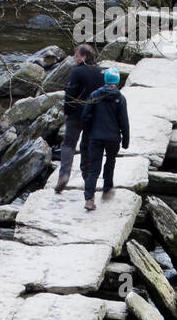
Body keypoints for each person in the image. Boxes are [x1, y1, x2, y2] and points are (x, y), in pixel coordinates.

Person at [54, 43, 103, 193]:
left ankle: (64, 175)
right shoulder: (101, 72)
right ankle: (88, 180)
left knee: (68, 144)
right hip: (93, 115)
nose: (74, 59)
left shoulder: (77, 72)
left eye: (76, 56)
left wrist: (67, 112)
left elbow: (70, 94)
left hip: (76, 114)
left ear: (83, 56)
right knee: (87, 147)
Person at [80, 66, 130, 210]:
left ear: (105, 80)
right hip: (113, 138)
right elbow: (124, 122)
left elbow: (85, 116)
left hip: (96, 137)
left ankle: (89, 198)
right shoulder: (120, 98)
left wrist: (90, 130)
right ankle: (107, 188)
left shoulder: (95, 95)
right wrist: (126, 141)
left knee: (94, 168)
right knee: (110, 161)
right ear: (117, 82)